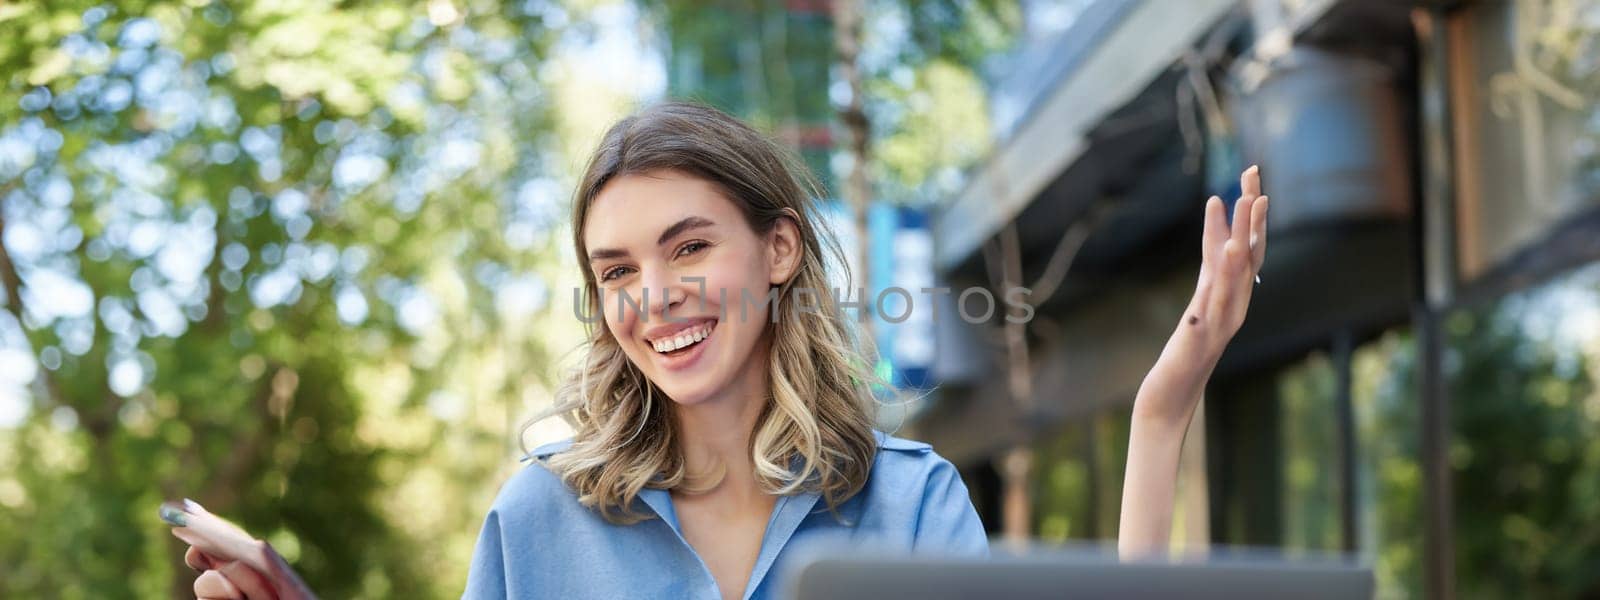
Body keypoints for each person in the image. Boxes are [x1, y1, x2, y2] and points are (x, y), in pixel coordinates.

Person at [169, 101, 1269, 599]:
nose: (654, 298)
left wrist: (1160, 415)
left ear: (778, 248)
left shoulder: (912, 504)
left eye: (688, 246)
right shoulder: (536, 522)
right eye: (615, 272)